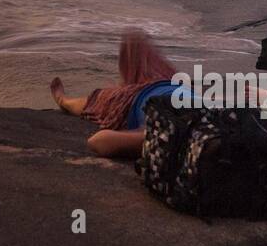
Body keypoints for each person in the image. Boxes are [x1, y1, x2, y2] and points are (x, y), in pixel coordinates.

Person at [50, 30, 193, 157]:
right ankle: (64, 100)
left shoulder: (167, 134)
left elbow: (98, 142)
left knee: (102, 100)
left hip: (140, 96)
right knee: (136, 44)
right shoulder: (206, 117)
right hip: (170, 86)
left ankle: (63, 101)